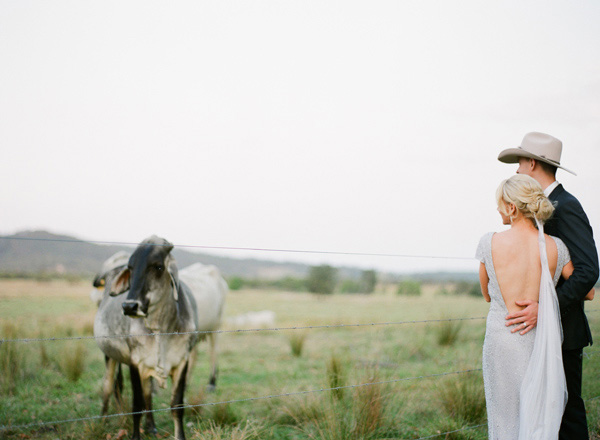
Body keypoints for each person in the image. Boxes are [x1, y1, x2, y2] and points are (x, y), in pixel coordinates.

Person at [498, 132, 598, 439]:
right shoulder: (540, 209)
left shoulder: (565, 205)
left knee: (567, 414)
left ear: (531, 163)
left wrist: (546, 308)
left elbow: (588, 270)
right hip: (537, 334)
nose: (515, 170)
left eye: (519, 163)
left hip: (564, 332)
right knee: (543, 415)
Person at [477, 174, 578, 438]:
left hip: (502, 340)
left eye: (499, 203)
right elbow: (587, 291)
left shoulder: (489, 242)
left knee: (503, 418)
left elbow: (487, 296)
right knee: (538, 417)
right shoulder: (557, 247)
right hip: (540, 343)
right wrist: (544, 302)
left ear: (511, 207)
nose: (497, 209)